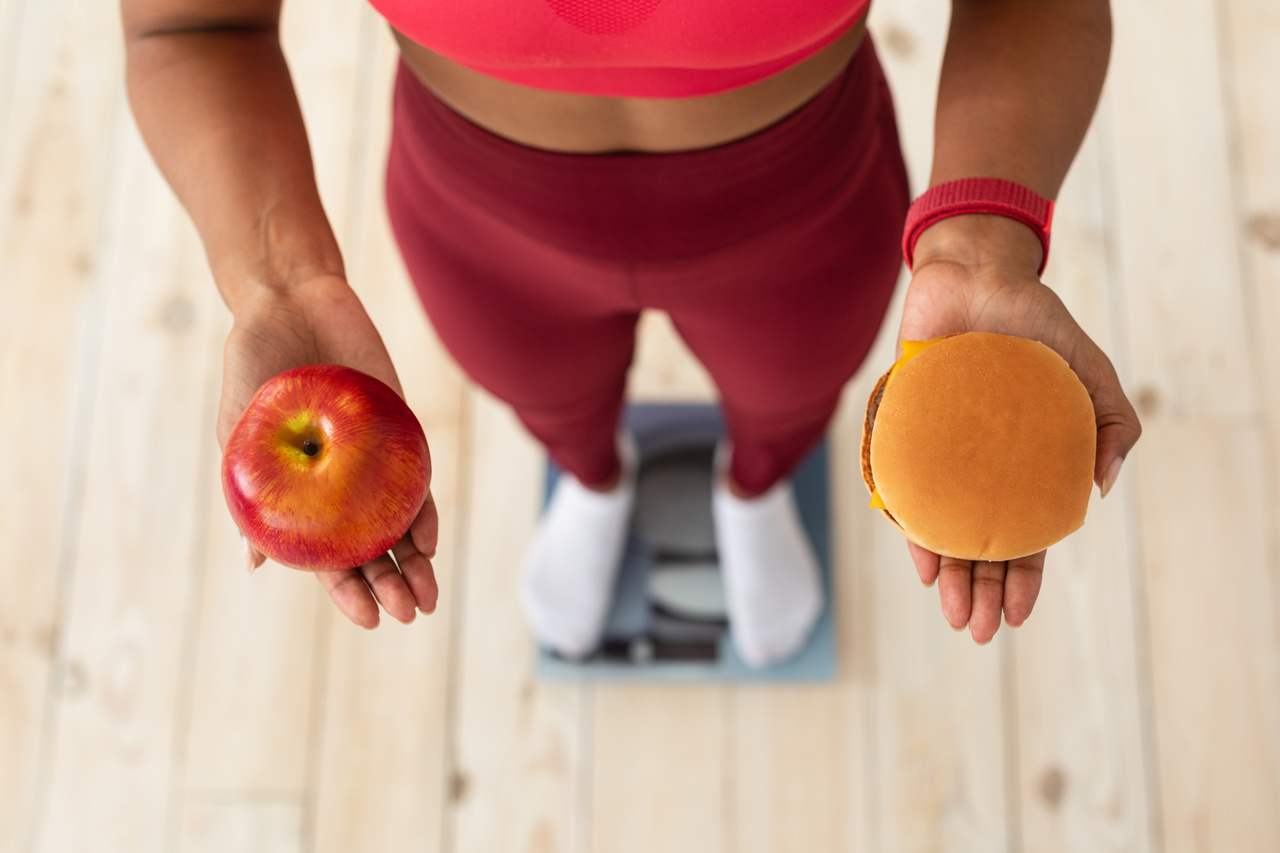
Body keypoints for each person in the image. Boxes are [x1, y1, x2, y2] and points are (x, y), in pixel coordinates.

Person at [121, 0, 1141, 659]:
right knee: (547, 400)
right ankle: (592, 476)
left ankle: (756, 489)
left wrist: (980, 238)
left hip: (806, 206)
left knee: (789, 401)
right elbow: (189, 24)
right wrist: (274, 284)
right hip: (480, 219)